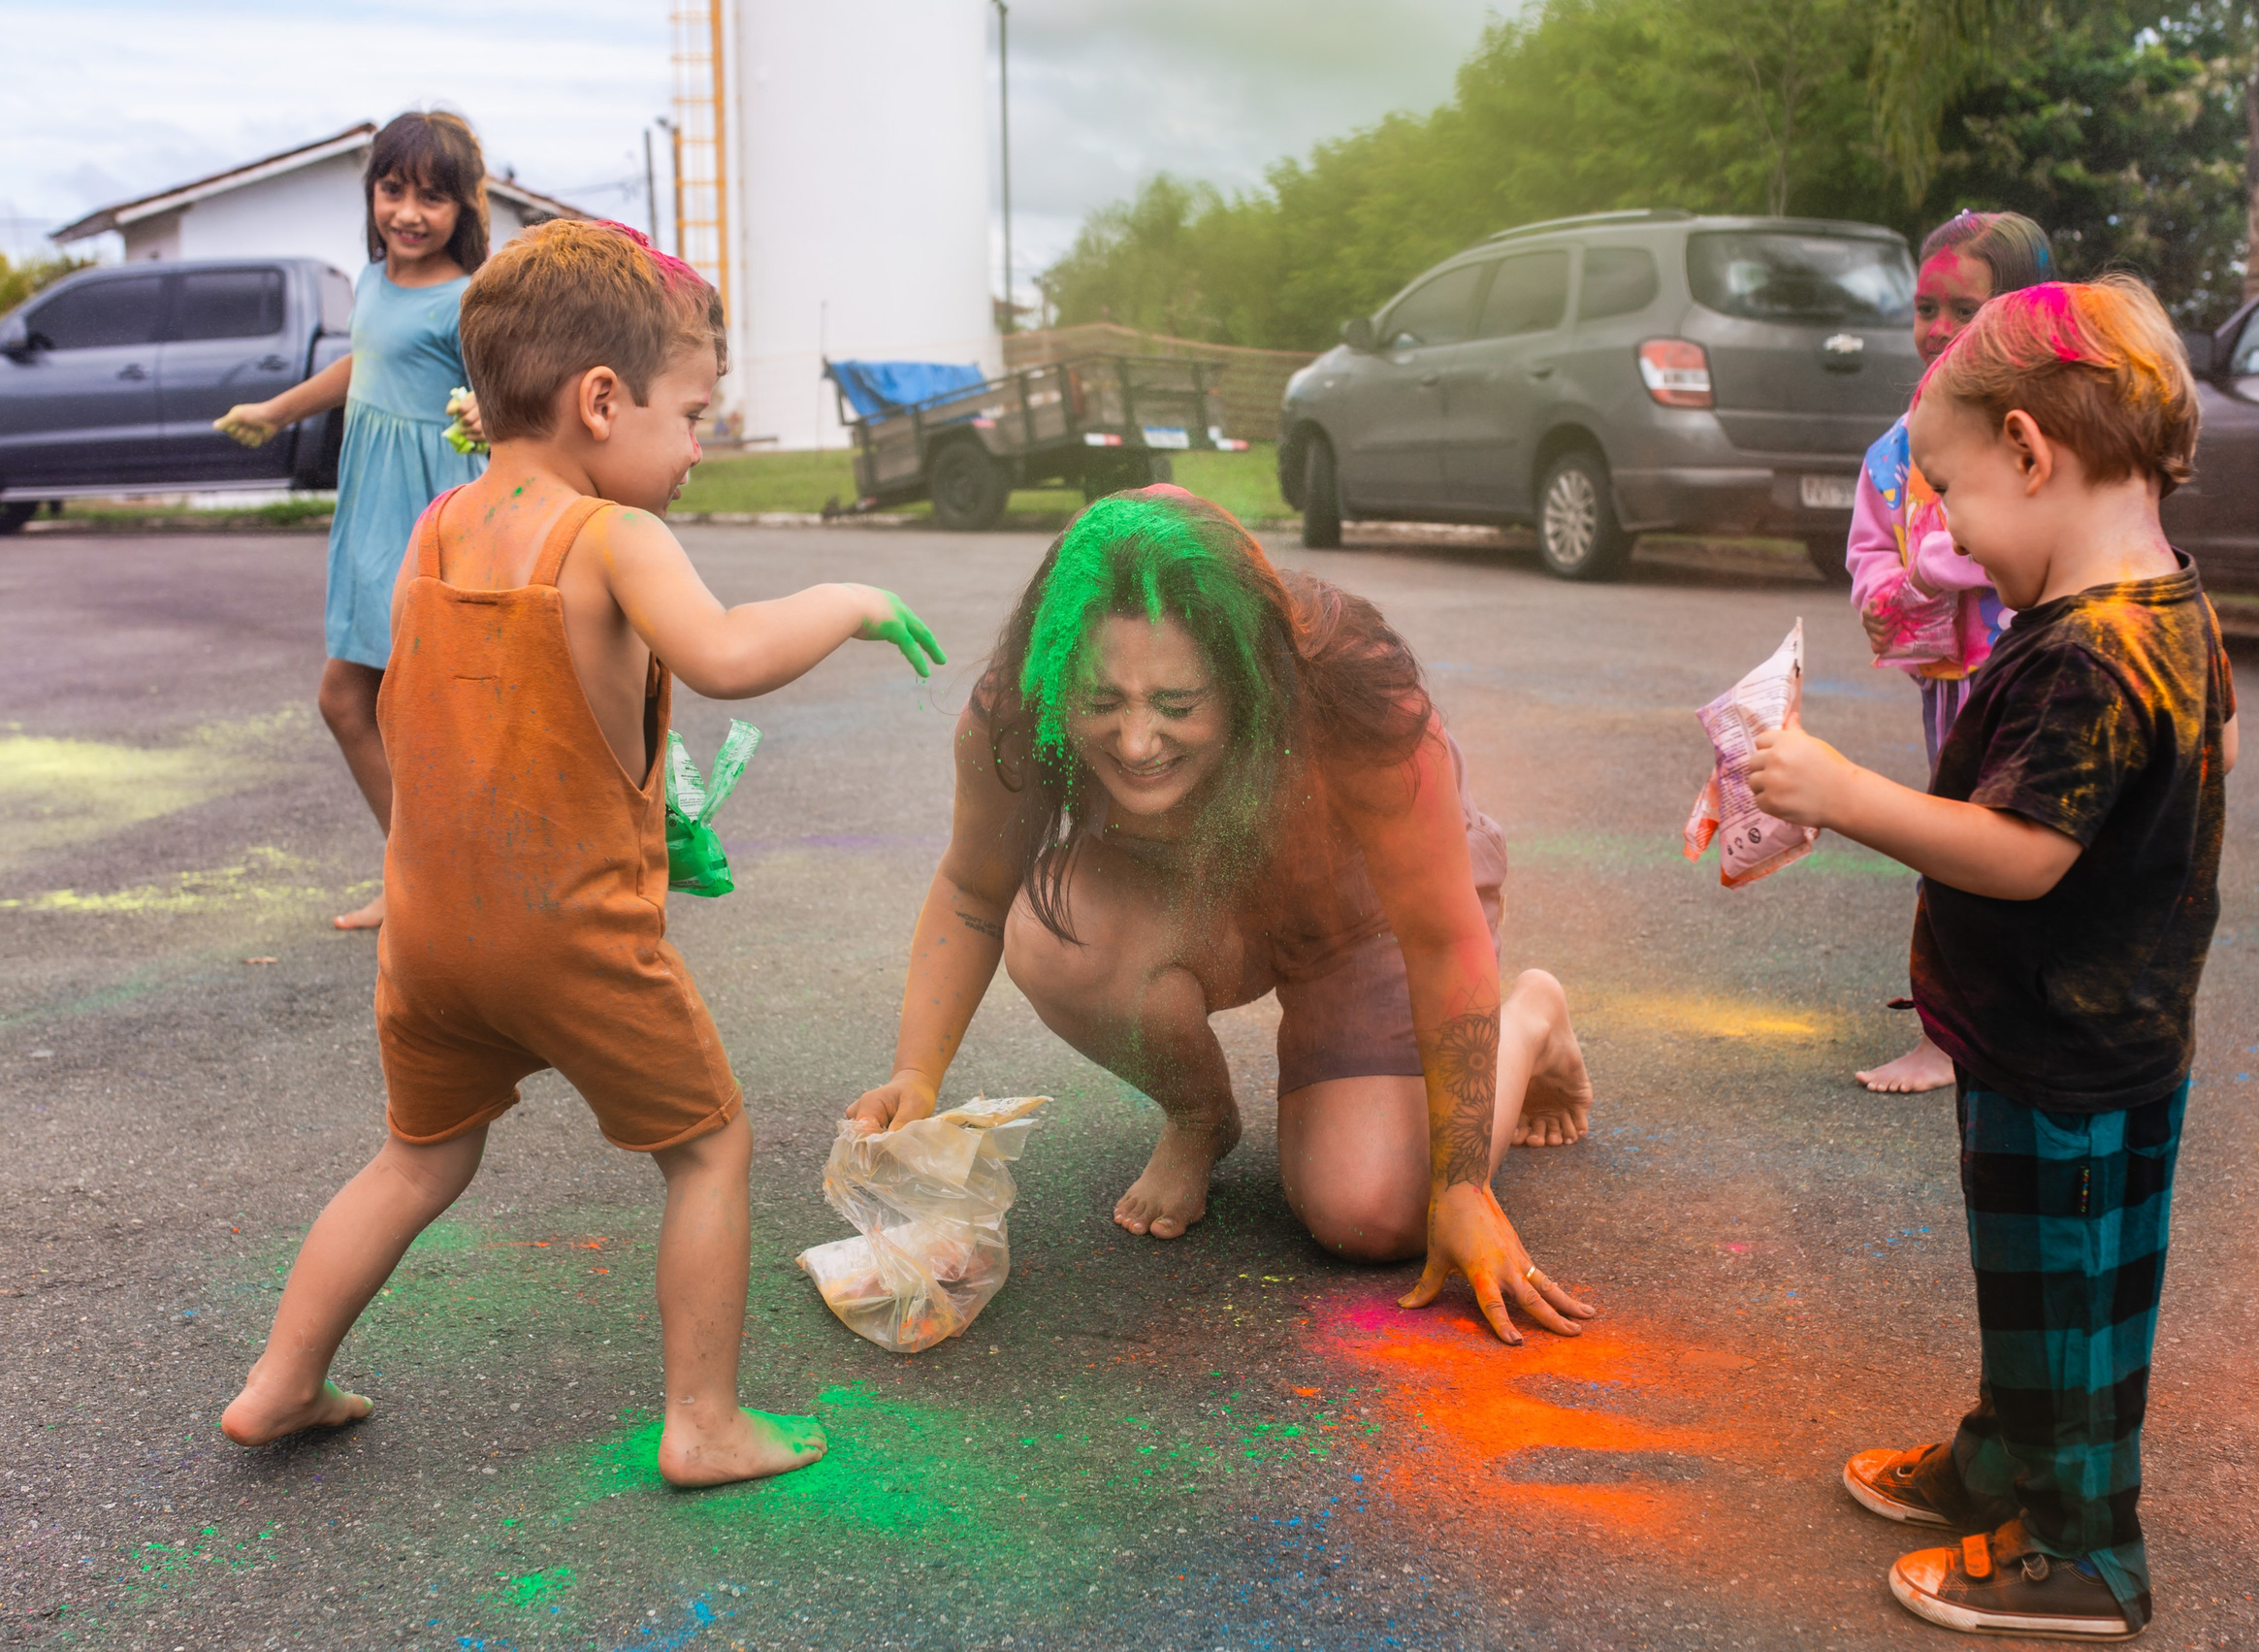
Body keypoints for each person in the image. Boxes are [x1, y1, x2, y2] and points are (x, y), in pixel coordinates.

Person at [219, 219, 946, 1486]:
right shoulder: (613, 538)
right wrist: (850, 601)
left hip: (434, 933)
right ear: (601, 401)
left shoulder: (438, 528)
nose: (699, 441)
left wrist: (645, 791)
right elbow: (721, 651)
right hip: (572, 936)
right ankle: (705, 1421)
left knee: (419, 1156)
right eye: (693, 411)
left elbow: (444, 722)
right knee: (709, 1145)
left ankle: (279, 1381)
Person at [1749, 276, 2239, 1640]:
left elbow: (2025, 853)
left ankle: (2087, 1552)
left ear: (2032, 450)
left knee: (2072, 1298)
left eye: (1951, 492)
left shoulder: (2096, 648)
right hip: (2057, 1029)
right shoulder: (2158, 610)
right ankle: (2004, 1458)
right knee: (2034, 1279)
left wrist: (1841, 791)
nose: (1945, 531)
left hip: (2079, 1051)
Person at [847, 487, 1597, 1345]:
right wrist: (917, 1072)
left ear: (1247, 676)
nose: (1134, 742)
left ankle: (1531, 1018)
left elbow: (1441, 937)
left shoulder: (1356, 696)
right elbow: (976, 892)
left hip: (1363, 918)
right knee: (1056, 934)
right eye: (1102, 701)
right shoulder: (1020, 704)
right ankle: (1200, 1115)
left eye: (1176, 705)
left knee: (1372, 1215)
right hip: (1195, 895)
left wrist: (1463, 1185)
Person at [217, 111, 493, 931]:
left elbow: (511, 379)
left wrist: (489, 408)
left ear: (463, 209)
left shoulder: (466, 296)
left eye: (432, 198)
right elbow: (362, 362)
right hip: (369, 505)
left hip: (436, 509)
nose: (408, 211)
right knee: (354, 700)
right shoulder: (372, 284)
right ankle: (426, 875)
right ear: (373, 192)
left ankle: (445, 880)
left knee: (396, 702)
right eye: (392, 188)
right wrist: (274, 410)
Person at [1844, 211, 2055, 1093]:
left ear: (2021, 314)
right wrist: (1920, 578)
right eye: (1924, 306)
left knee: (2037, 846)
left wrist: (1956, 560)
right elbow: (1869, 567)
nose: (1936, 328)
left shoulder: (2051, 432)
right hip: (1951, 689)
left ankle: (2011, 1022)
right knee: (1953, 844)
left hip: (2047, 679)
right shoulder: (1898, 450)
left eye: (1961, 309)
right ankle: (1950, 1031)